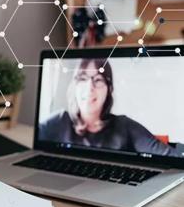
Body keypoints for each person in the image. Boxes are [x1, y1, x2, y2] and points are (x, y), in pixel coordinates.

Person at [39, 58, 179, 156]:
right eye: (83, 78)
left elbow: (168, 155)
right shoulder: (59, 121)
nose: (89, 88)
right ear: (74, 86)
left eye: (98, 80)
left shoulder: (125, 126)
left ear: (109, 89)